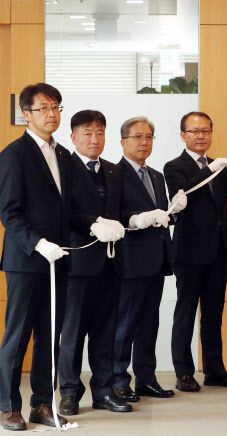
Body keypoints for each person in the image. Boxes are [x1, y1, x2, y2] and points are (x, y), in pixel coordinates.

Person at [164, 111, 227, 392]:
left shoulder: (220, 166)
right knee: (186, 313)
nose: (201, 136)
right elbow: (186, 191)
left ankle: (215, 370)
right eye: (194, 131)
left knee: (214, 314)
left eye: (206, 131)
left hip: (218, 251)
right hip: (189, 253)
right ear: (183, 135)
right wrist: (210, 169)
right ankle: (184, 372)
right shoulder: (174, 166)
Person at [0, 83, 71, 430]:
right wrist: (38, 242)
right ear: (26, 114)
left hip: (59, 261)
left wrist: (97, 223)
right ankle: (7, 407)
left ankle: (42, 404)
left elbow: (69, 207)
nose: (52, 114)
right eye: (44, 108)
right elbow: (9, 212)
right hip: (27, 260)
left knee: (50, 336)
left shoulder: (63, 154)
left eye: (56, 107)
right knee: (17, 338)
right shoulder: (15, 154)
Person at [57, 110, 130, 416]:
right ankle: (69, 392)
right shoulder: (64, 168)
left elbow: (121, 212)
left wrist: (136, 219)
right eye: (87, 133)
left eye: (100, 132)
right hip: (78, 264)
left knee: (105, 333)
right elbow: (63, 212)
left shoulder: (113, 170)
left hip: (111, 264)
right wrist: (92, 223)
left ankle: (104, 391)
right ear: (73, 137)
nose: (94, 139)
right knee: (73, 334)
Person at [111, 116, 187, 402]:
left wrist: (174, 211)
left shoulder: (156, 175)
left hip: (157, 259)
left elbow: (161, 216)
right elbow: (114, 214)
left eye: (148, 137)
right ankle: (119, 380)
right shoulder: (114, 173)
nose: (144, 142)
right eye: (137, 137)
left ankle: (146, 379)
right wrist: (137, 218)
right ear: (123, 142)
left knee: (148, 323)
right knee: (125, 324)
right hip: (130, 261)